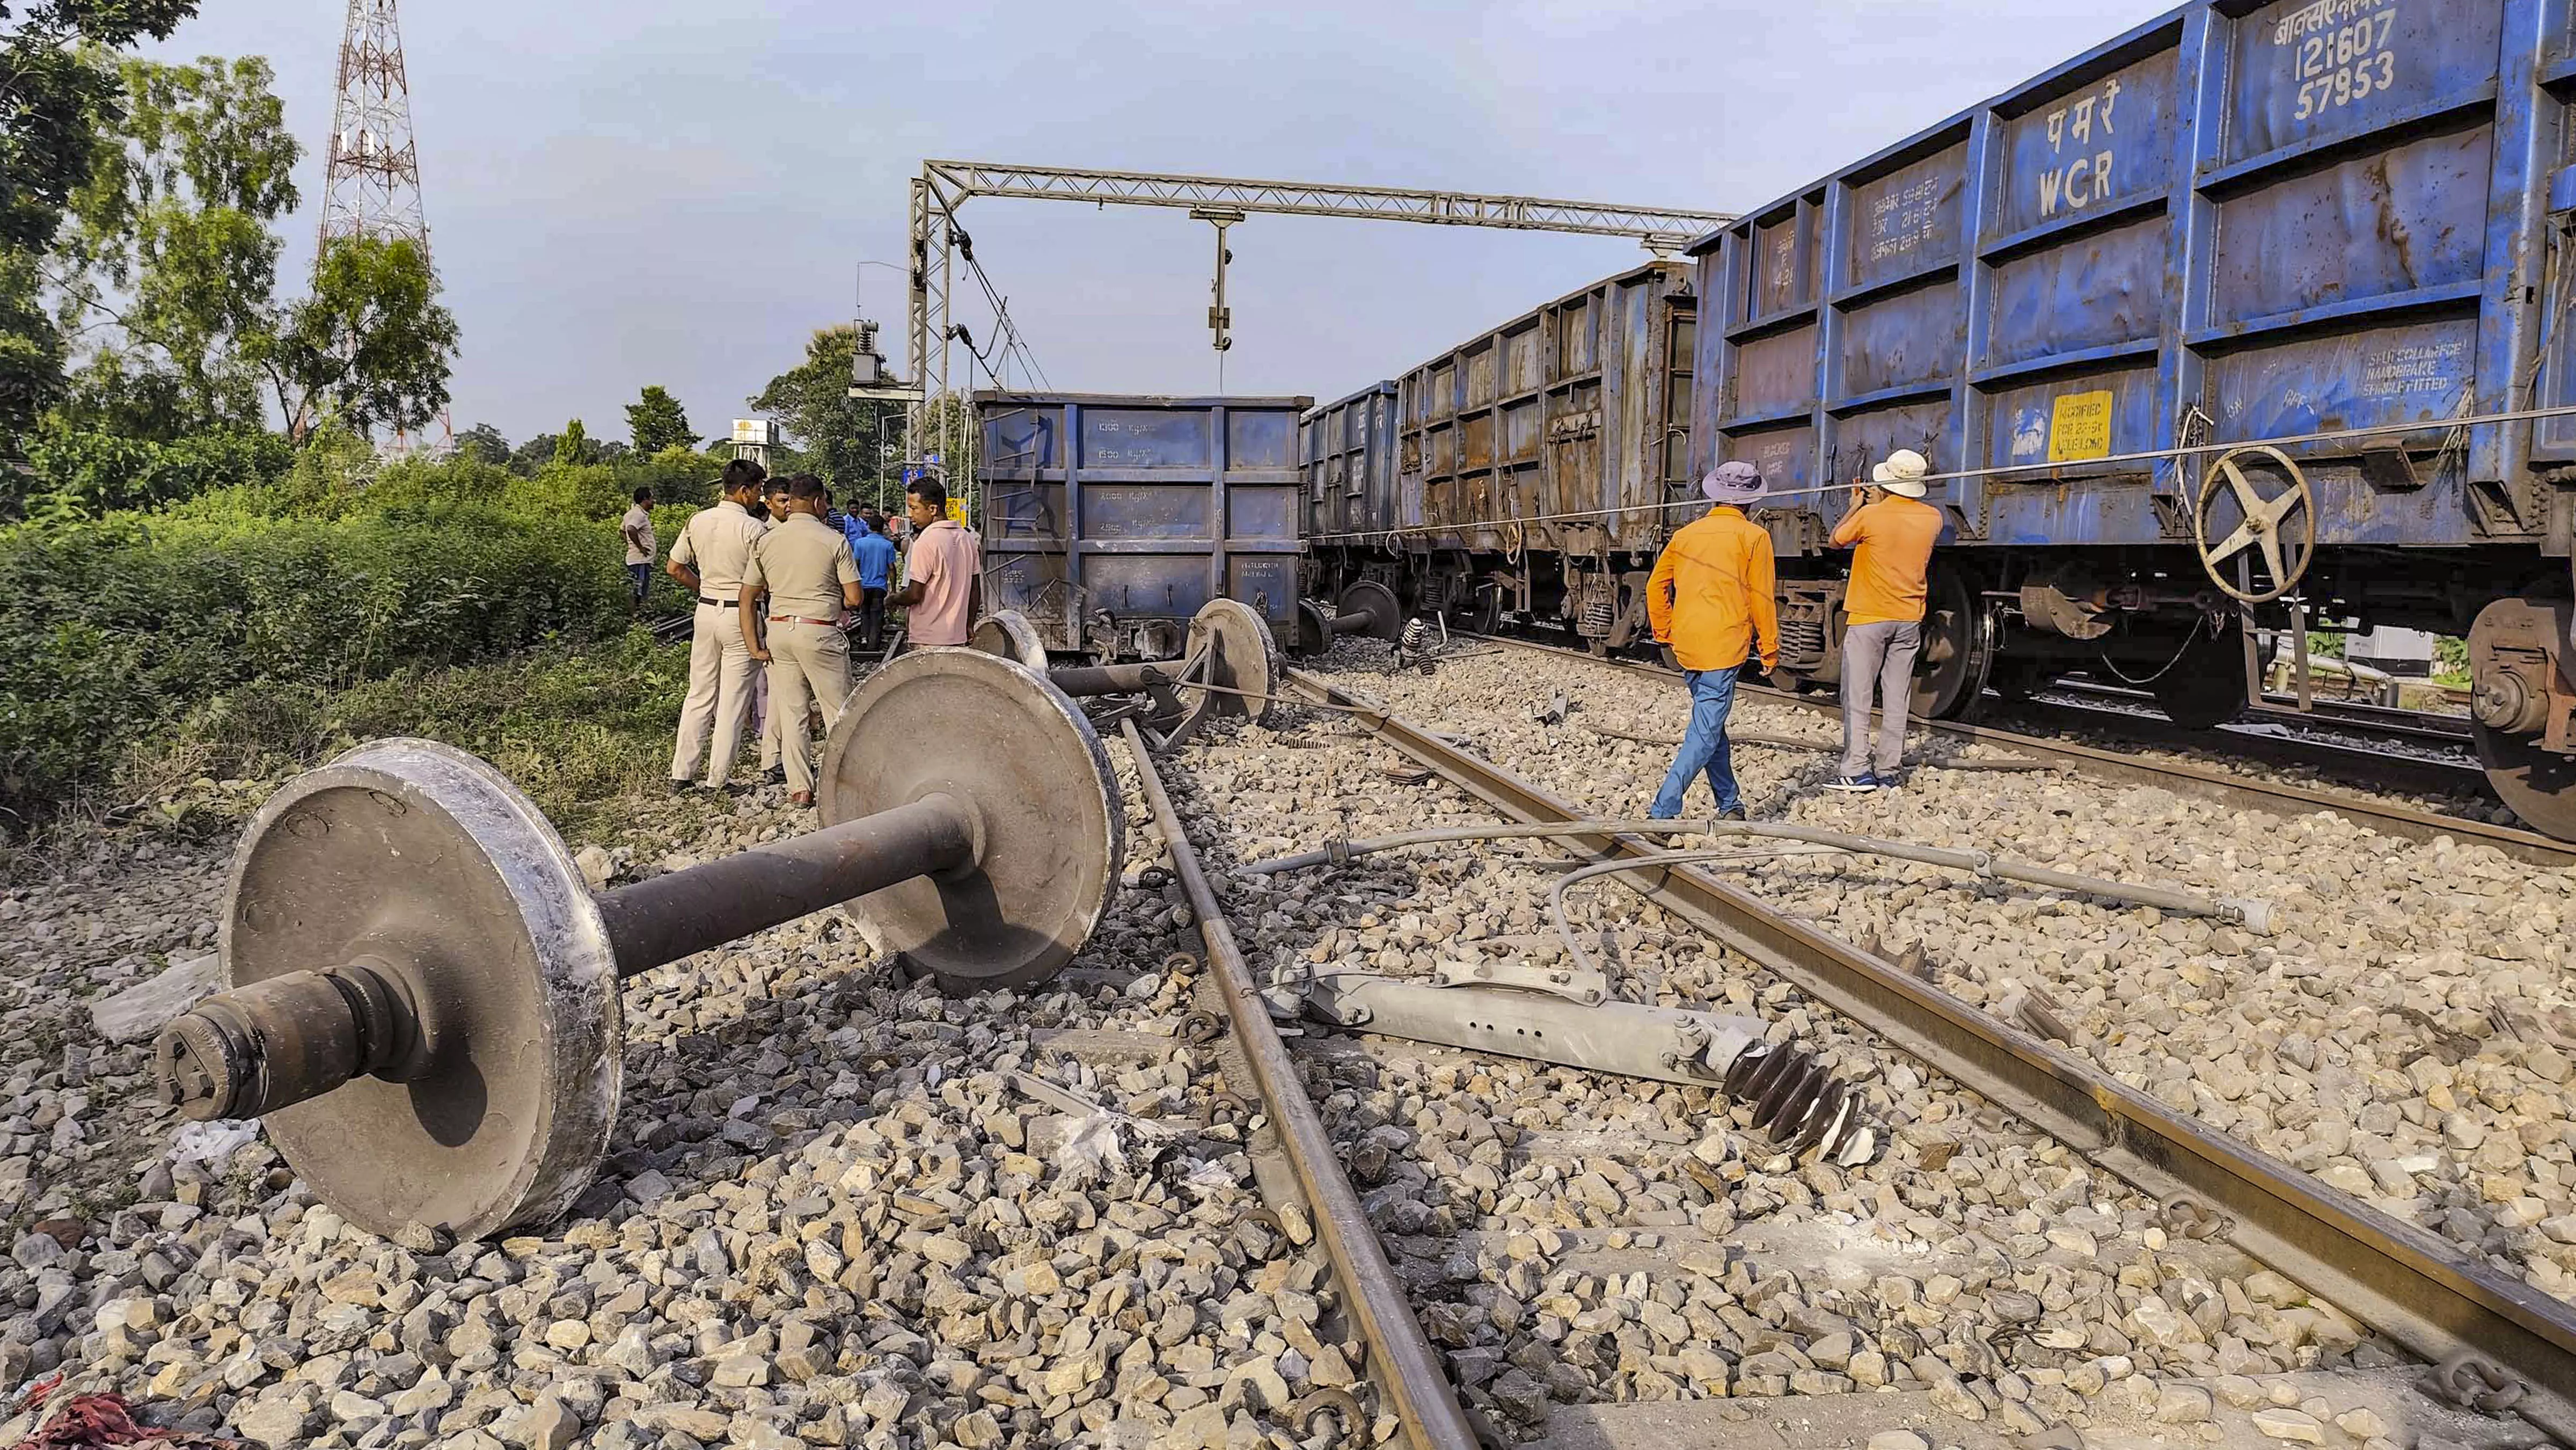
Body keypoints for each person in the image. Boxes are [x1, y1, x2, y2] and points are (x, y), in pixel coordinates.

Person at [1644, 462, 1780, 822]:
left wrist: (1665, 632)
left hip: (1687, 645)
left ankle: (1731, 804)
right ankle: (1663, 809)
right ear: (1750, 501)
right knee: (1704, 733)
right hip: (1725, 647)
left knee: (1711, 726)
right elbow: (1763, 598)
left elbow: (1655, 587)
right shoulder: (1754, 538)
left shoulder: (1686, 535)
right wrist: (1770, 648)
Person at [1828, 448, 1945, 793]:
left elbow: (1835, 541)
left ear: (1885, 484)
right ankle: (1889, 770)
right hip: (1909, 617)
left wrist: (1858, 505)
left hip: (1868, 616)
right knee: (1897, 697)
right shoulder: (1933, 518)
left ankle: (1856, 770)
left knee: (1859, 695)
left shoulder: (1871, 517)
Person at [743, 477, 865, 807]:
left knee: (793, 711)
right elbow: (854, 598)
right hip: (819, 630)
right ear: (816, 502)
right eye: (825, 502)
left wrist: (755, 645)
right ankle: (843, 782)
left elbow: (748, 596)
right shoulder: (834, 540)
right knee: (837, 712)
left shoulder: (767, 541)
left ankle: (800, 788)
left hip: (779, 631)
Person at [665, 460, 771, 792]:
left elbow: (674, 568)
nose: (759, 498)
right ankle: (718, 780)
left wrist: (706, 590)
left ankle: (681, 774)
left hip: (706, 612)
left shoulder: (697, 521)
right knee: (733, 700)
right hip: (741, 617)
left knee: (699, 693)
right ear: (744, 491)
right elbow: (766, 580)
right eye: (757, 491)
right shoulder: (754, 529)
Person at [889, 479, 979, 649]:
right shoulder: (968, 540)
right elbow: (975, 590)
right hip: (957, 637)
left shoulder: (926, 541)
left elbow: (915, 594)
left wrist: (894, 599)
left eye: (914, 508)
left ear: (932, 509)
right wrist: (969, 625)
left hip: (928, 638)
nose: (910, 514)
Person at [842, 507, 897, 652]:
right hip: (880, 586)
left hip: (863, 584)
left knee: (864, 613)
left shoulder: (860, 543)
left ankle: (864, 639)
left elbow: (856, 564)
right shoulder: (888, 545)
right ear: (882, 528)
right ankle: (874, 642)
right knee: (877, 614)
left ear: (868, 526)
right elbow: (891, 568)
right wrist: (893, 588)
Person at [621, 487, 656, 613]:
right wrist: (640, 548)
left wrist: (630, 544)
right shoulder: (638, 515)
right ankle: (638, 615)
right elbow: (630, 529)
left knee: (636, 588)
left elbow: (622, 530)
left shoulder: (630, 514)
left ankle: (637, 615)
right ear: (644, 500)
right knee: (639, 590)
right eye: (651, 498)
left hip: (637, 560)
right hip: (640, 561)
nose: (654, 501)